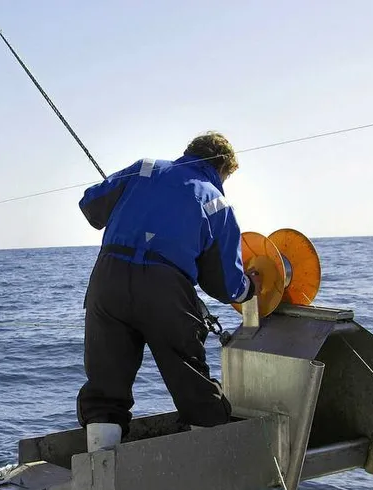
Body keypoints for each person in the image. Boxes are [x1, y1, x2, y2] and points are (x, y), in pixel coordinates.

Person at [76, 131, 260, 452]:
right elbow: (224, 285)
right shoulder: (217, 202)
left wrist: (125, 195)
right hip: (165, 289)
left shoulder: (144, 167)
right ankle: (209, 461)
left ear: (188, 152)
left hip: (108, 280)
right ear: (222, 169)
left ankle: (99, 469)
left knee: (106, 386)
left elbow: (91, 205)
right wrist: (251, 289)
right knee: (190, 379)